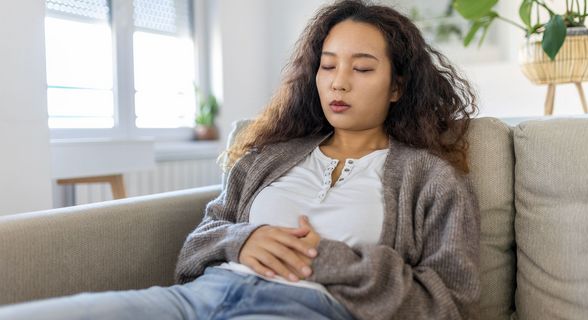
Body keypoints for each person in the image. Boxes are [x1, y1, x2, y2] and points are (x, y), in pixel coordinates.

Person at [0, 0, 480, 319]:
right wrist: (242, 239)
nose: (338, 82)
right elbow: (195, 249)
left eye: (362, 68)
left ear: (397, 86)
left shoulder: (430, 179)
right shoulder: (268, 158)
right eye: (328, 65)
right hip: (194, 300)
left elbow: (449, 302)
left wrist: (329, 260)